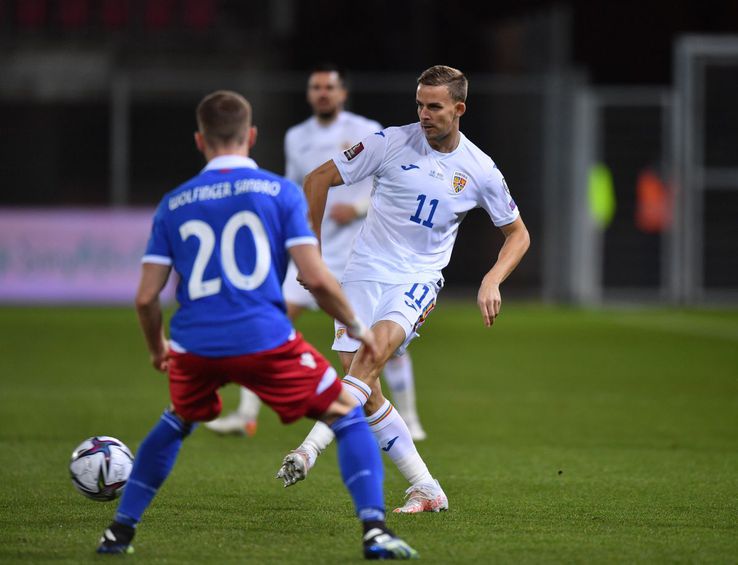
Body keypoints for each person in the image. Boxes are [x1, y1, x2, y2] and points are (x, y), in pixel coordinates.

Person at [95, 90, 418, 560]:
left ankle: (119, 533)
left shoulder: (174, 203)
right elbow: (314, 277)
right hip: (264, 339)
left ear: (199, 140)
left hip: (195, 343)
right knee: (347, 416)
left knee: (176, 421)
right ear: (251, 136)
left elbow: (146, 297)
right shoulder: (280, 192)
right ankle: (374, 531)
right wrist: (353, 322)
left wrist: (156, 346)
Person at [276, 65, 530, 514]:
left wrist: (492, 279)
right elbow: (317, 180)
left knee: (372, 359)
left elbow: (518, 234)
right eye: (419, 104)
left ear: (459, 108)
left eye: (434, 107)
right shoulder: (390, 142)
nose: (424, 114)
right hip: (362, 274)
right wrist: (310, 252)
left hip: (417, 280)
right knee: (365, 386)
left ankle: (308, 450)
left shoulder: (480, 169)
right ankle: (427, 487)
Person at [205, 64, 428, 441]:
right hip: (314, 249)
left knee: (384, 338)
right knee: (272, 323)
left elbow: (394, 183)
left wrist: (356, 209)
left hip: (362, 254)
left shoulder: (366, 129)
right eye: (316, 87)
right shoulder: (297, 137)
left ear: (343, 93)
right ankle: (246, 415)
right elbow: (296, 186)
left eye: (330, 87)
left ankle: (410, 418)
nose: (323, 93)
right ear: (310, 94)